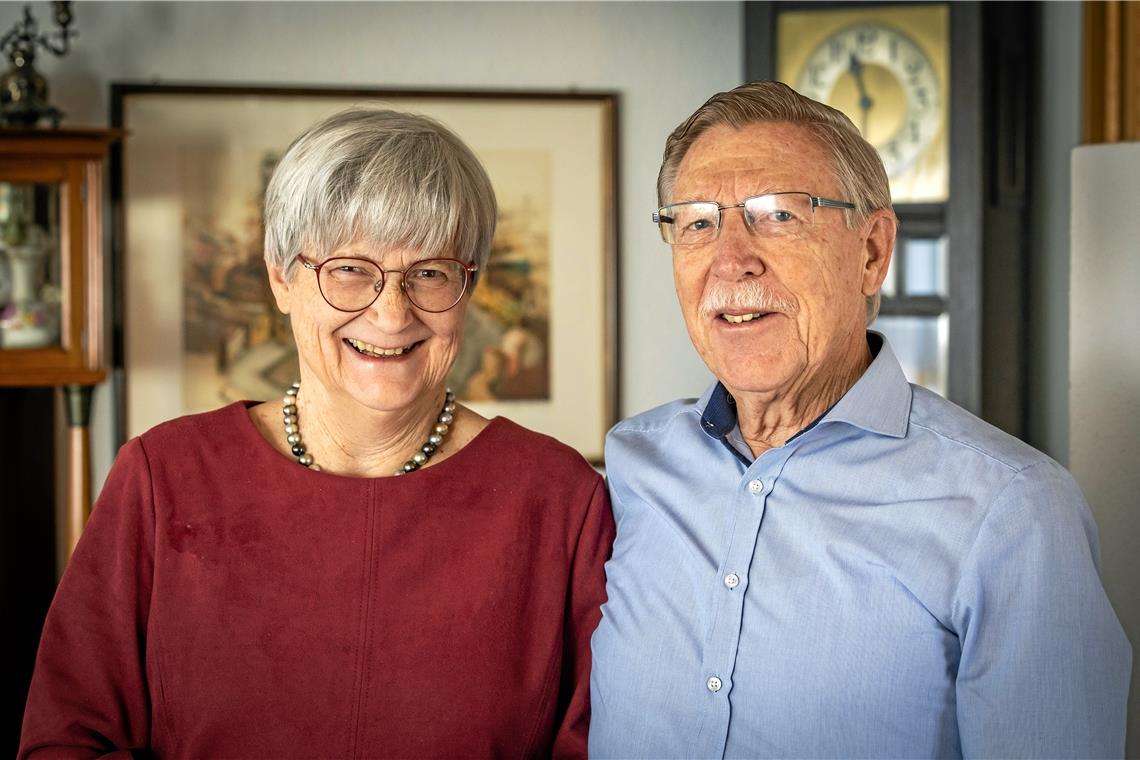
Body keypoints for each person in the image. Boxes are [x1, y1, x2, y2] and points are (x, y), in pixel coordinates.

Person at [20, 108, 613, 758]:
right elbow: (67, 740)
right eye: (351, 269)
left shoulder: (561, 501)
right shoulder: (163, 476)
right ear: (282, 278)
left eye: (432, 272)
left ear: (468, 287)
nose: (392, 312)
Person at [589, 81, 1131, 758]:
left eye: (778, 214)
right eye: (697, 221)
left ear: (871, 252)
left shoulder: (1012, 511)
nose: (731, 258)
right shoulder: (632, 469)